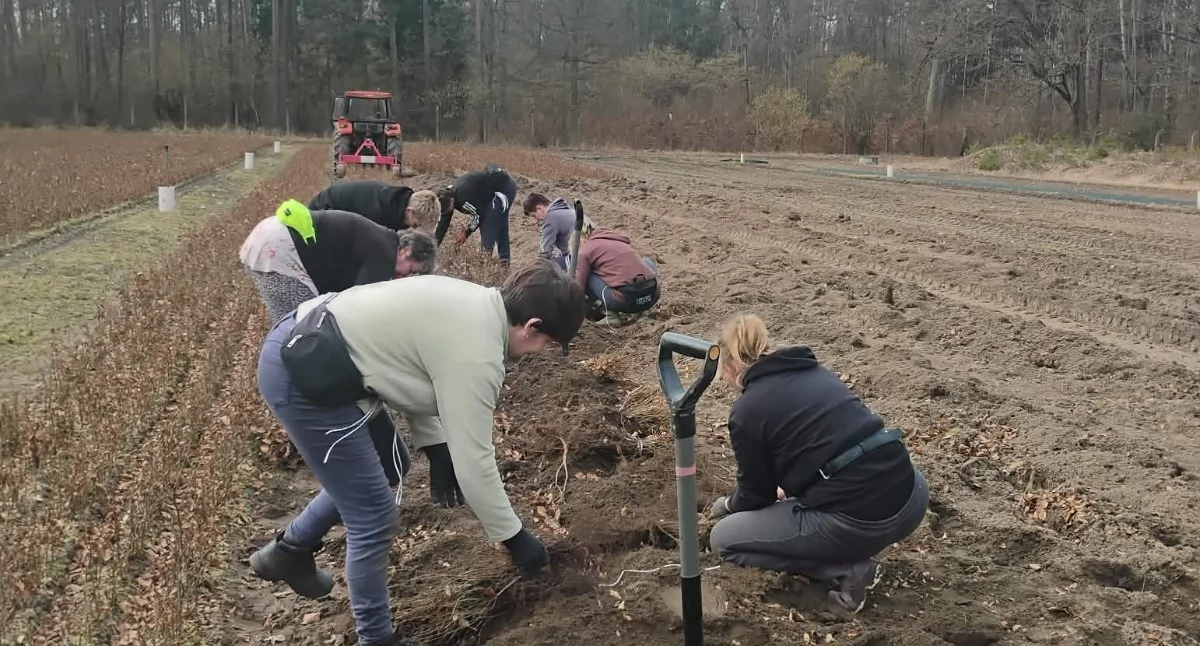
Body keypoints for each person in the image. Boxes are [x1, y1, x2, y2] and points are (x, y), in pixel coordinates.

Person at [249, 259, 588, 646]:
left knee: (391, 464)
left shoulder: (474, 302)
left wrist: (436, 448)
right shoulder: (478, 354)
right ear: (532, 328)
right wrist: (514, 538)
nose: (541, 352)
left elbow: (414, 368)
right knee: (373, 515)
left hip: (319, 339)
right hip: (304, 366)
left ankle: (290, 550)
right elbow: (475, 462)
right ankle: (376, 639)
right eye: (547, 343)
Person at [706, 314, 929, 615]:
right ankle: (850, 548)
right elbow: (828, 445)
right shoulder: (813, 372)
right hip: (912, 496)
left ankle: (846, 570)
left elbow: (756, 496)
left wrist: (728, 506)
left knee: (724, 539)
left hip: (862, 522)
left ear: (731, 367)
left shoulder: (747, 410)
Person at [239, 200, 439, 499]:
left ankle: (306, 407)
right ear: (407, 251)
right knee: (304, 339)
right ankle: (307, 414)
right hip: (278, 249)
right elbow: (357, 313)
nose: (405, 278)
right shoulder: (383, 254)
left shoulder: (381, 241)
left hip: (270, 239)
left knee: (304, 333)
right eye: (411, 271)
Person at [572, 219, 660, 326]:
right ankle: (643, 311)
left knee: (587, 274)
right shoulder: (619, 241)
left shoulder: (586, 250)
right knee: (645, 262)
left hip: (625, 301)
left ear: (582, 238)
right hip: (651, 296)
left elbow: (578, 287)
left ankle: (611, 315)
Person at [433, 165, 518, 265]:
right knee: (499, 222)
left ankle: (484, 265)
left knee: (489, 223)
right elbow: (442, 225)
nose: (446, 213)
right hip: (489, 192)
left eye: (448, 210)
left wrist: (466, 233)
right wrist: (433, 248)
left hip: (504, 187)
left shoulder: (463, 197)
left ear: (452, 201)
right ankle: (505, 263)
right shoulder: (445, 197)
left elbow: (478, 214)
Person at [307, 180, 441, 232]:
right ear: (409, 211)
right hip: (322, 213)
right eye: (415, 224)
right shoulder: (377, 214)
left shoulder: (397, 202)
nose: (413, 228)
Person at [522, 192, 575, 269]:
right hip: (590, 250)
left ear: (539, 209)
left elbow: (545, 252)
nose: (536, 220)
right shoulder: (566, 210)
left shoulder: (550, 218)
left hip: (579, 258)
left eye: (534, 216)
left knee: (547, 268)